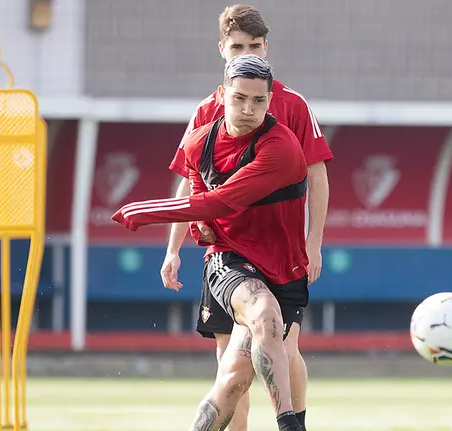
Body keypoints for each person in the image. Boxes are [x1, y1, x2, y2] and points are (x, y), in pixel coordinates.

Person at [112, 54, 306, 431]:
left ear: (270, 101)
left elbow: (223, 200)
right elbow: (201, 196)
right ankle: (290, 426)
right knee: (264, 313)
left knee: (234, 378)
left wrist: (148, 211)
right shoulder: (198, 143)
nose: (248, 109)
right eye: (239, 98)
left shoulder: (281, 148)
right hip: (230, 259)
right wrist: (199, 228)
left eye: (259, 101)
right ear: (222, 95)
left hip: (285, 268)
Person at [162, 5, 332, 431]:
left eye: (253, 46)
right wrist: (173, 249)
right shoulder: (206, 112)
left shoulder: (291, 105)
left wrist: (313, 244)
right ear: (222, 49)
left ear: (266, 47)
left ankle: (294, 422)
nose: (244, 52)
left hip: (281, 255)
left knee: (284, 350)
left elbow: (318, 178)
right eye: (236, 46)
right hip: (226, 255)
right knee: (230, 369)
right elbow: (188, 184)